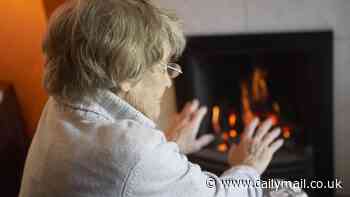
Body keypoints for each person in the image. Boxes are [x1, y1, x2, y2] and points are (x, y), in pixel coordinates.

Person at [19, 0, 284, 196]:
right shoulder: (132, 149)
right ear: (123, 72)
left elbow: (121, 178)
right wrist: (248, 165)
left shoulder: (60, 106)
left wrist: (170, 147)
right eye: (164, 67)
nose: (169, 81)